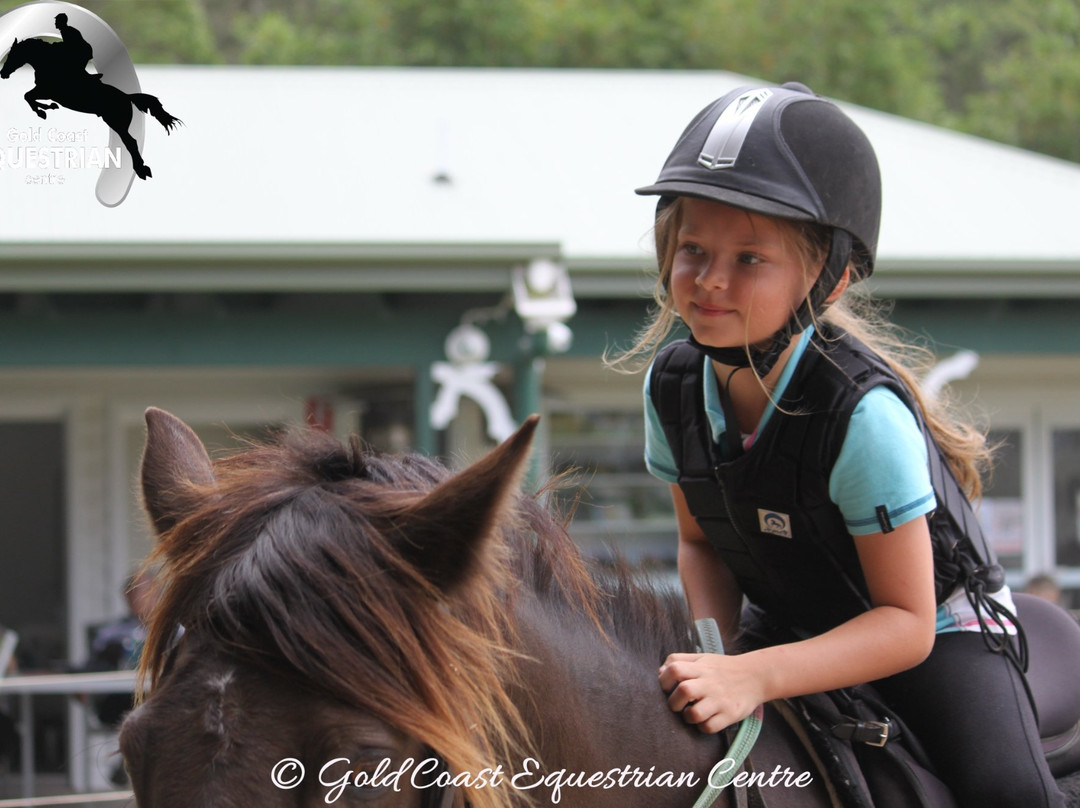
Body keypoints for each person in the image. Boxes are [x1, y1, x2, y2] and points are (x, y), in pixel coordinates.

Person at [616, 82, 1064, 806]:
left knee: (1009, 794)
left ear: (831, 277)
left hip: (937, 632)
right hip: (794, 615)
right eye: (693, 249)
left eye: (750, 259)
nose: (710, 281)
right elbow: (702, 544)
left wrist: (757, 675)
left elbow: (907, 623)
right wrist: (716, 652)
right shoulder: (669, 388)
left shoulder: (865, 417)